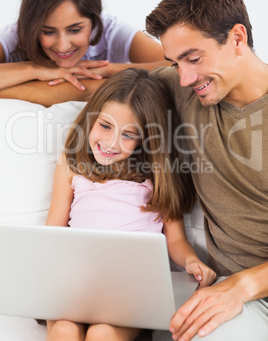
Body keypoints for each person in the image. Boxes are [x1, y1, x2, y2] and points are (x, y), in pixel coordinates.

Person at [45, 68, 216, 341]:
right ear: (90, 119)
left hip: (129, 289)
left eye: (128, 134)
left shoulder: (156, 176)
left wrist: (192, 261)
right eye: (105, 125)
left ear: (145, 139)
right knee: (65, 330)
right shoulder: (71, 164)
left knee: (102, 334)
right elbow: (53, 229)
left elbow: (175, 242)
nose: (111, 143)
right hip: (75, 283)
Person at [145, 0, 268, 340]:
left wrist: (242, 287)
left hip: (243, 290)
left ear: (237, 38)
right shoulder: (186, 89)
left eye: (193, 58)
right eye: (174, 62)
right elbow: (83, 83)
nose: (183, 77)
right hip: (241, 300)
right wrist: (37, 71)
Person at [0, 0, 169, 105]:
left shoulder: (112, 31)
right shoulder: (14, 36)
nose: (63, 45)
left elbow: (176, 66)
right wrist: (36, 69)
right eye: (48, 32)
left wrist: (107, 70)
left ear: (95, 22)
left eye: (75, 30)